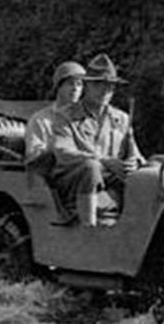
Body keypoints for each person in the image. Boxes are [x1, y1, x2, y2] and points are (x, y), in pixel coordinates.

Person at [43, 54, 144, 227]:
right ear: (86, 85)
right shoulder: (65, 116)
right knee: (91, 167)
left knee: (152, 175)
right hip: (72, 180)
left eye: (110, 86)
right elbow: (63, 152)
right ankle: (89, 229)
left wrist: (134, 163)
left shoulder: (121, 119)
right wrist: (104, 161)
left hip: (111, 181)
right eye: (98, 84)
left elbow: (136, 154)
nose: (105, 91)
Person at [24, 61, 85, 163]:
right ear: (59, 87)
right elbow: (33, 154)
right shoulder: (40, 120)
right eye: (70, 84)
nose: (75, 89)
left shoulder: (87, 119)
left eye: (79, 84)